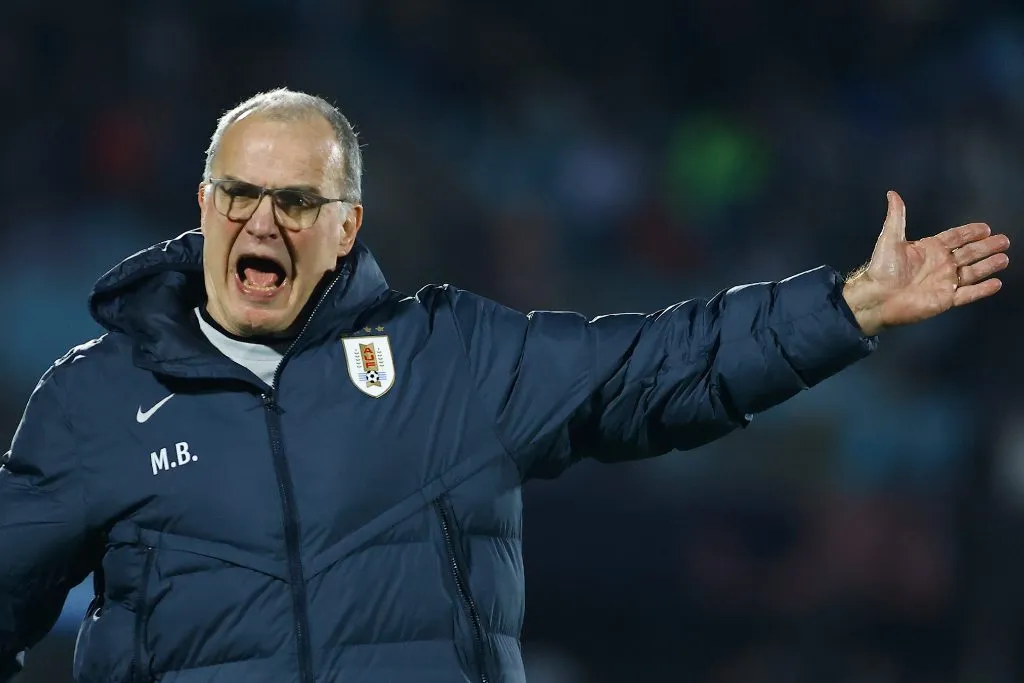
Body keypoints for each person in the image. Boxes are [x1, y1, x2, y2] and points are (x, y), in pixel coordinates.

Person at [0, 88, 1010, 683]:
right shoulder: (95, 401)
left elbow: (656, 365)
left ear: (346, 228)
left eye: (296, 201)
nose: (261, 222)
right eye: (239, 195)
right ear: (203, 204)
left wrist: (847, 306)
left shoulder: (449, 359)